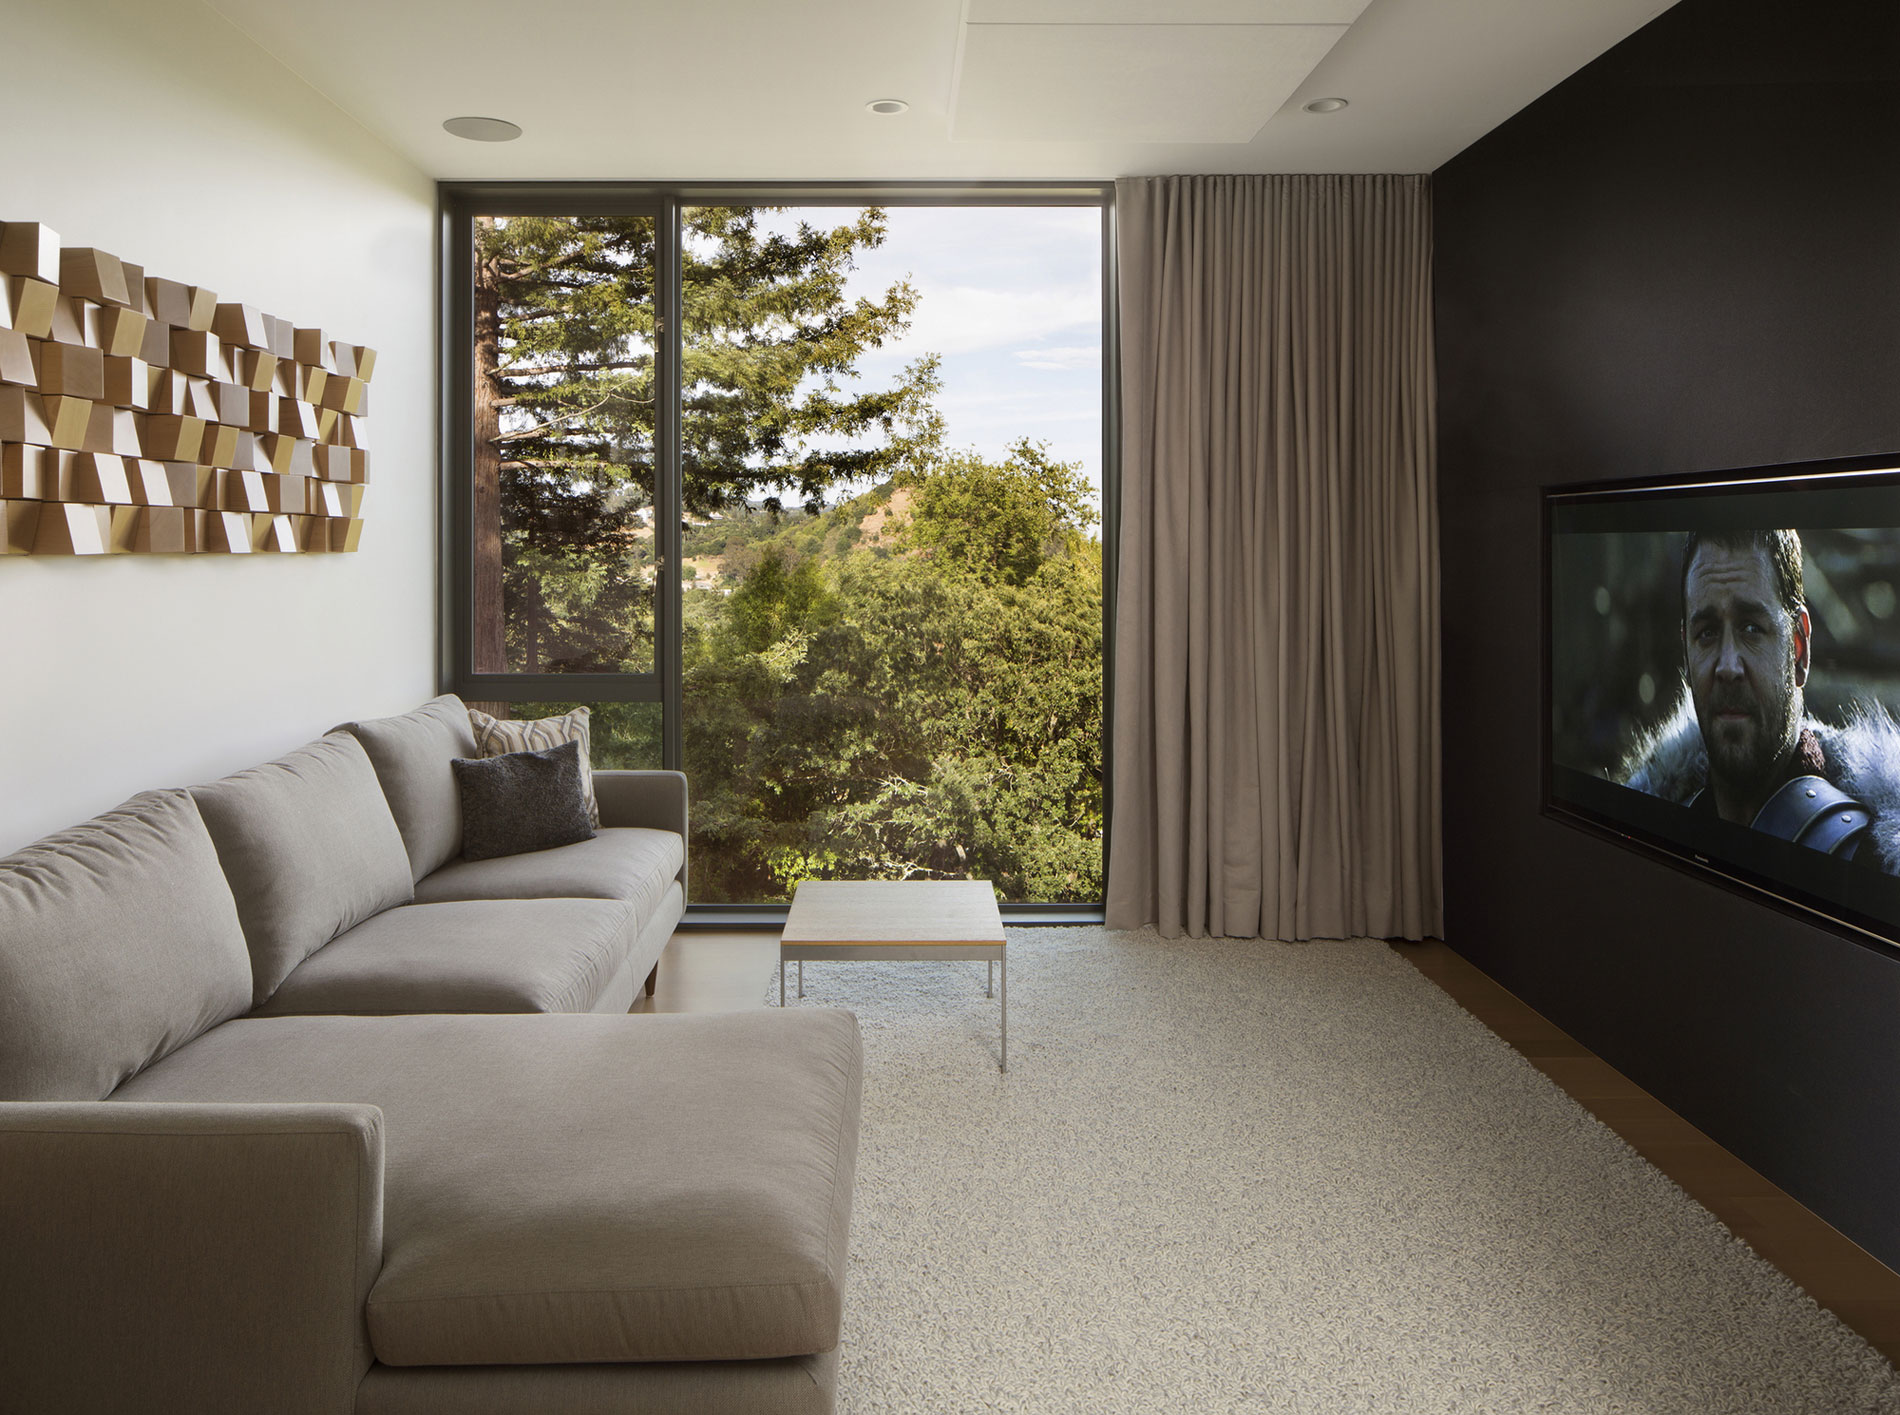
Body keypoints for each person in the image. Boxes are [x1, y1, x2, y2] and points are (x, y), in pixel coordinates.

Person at [1621, 528, 1900, 870]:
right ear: (1687, 653)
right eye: (1706, 633)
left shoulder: (1873, 862)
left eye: (1751, 628)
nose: (1727, 667)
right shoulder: (1649, 842)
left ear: (1798, 650)